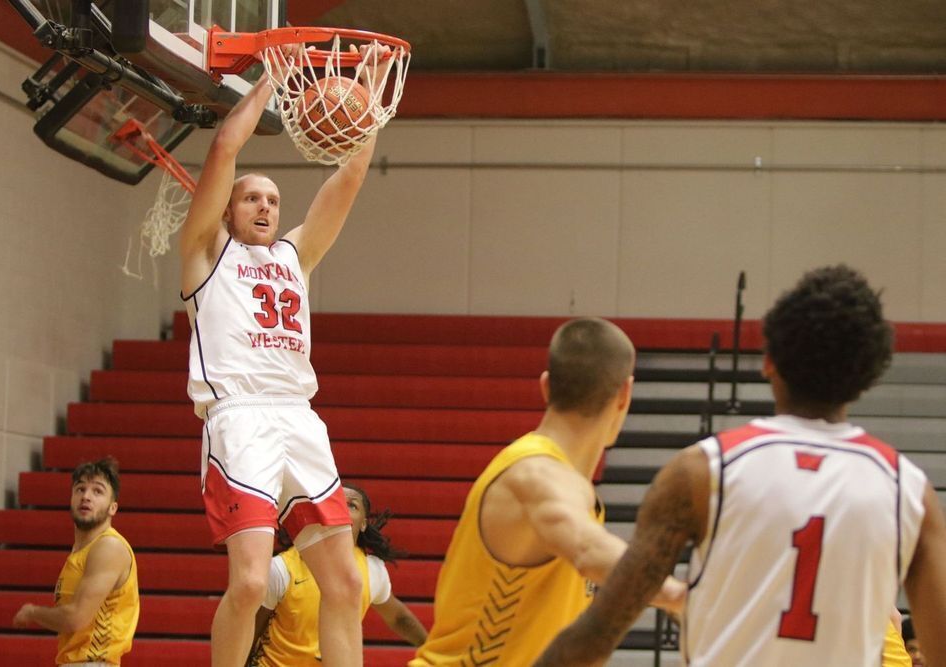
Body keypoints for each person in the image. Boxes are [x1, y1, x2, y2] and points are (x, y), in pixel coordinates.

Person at [535, 265, 946, 667]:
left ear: (769, 363)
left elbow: (597, 633)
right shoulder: (909, 492)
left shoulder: (702, 472)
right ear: (868, 377)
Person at [179, 45, 388, 667]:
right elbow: (224, 150)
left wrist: (368, 102)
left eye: (273, 199)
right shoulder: (204, 254)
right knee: (247, 583)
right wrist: (275, 74)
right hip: (239, 416)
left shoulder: (296, 257)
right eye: (251, 198)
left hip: (298, 417)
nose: (266, 206)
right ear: (226, 210)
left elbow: (347, 177)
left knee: (346, 583)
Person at [409, 317, 686, 666]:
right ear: (625, 394)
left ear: (545, 386)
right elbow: (589, 550)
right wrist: (680, 595)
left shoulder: (568, 485)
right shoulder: (536, 473)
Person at [248, 483, 428, 666]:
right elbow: (249, 630)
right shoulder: (282, 568)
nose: (342, 508)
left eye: (352, 505)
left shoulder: (372, 570)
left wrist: (432, 653)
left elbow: (399, 618)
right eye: (335, 503)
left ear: (363, 523)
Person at [13, 458, 139, 666]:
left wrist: (32, 612)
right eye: (80, 489)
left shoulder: (108, 547)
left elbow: (76, 618)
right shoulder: (80, 552)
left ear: (113, 508)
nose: (86, 497)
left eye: (97, 491)